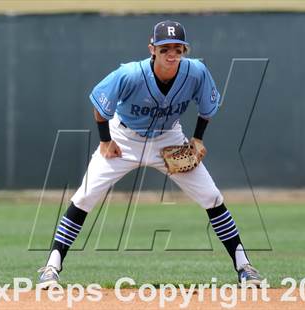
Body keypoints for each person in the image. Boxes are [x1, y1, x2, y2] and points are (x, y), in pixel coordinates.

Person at [38, 20, 263, 289]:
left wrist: (198, 137)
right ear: (152, 49)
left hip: (169, 139)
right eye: (165, 47)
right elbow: (100, 107)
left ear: (184, 50)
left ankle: (244, 268)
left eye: (178, 48)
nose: (172, 54)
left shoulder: (196, 73)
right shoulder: (130, 74)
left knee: (212, 196)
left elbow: (207, 107)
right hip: (124, 139)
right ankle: (52, 267)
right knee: (85, 196)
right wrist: (105, 141)